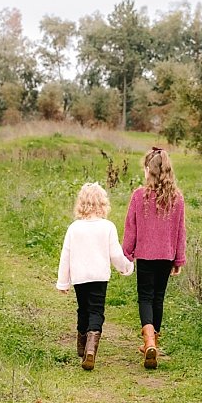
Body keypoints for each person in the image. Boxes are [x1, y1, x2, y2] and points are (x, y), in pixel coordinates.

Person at [55, 182, 133, 371]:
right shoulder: (107, 227)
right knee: (96, 310)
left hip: (80, 277)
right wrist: (126, 267)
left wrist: (63, 282)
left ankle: (82, 345)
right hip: (99, 276)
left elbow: (66, 255)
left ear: (81, 203)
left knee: (83, 309)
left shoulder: (74, 228)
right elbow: (115, 254)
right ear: (103, 203)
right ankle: (91, 348)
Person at [124, 146, 187, 369]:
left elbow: (131, 228)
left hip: (145, 255)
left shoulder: (139, 196)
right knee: (158, 297)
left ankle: (148, 341)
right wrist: (179, 260)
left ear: (148, 171)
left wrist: (126, 254)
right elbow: (181, 232)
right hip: (166, 256)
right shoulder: (177, 198)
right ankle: (154, 343)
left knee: (145, 297)